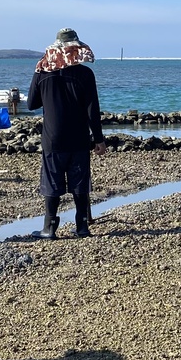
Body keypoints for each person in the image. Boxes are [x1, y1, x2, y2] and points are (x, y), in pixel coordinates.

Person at [27, 27, 106, 239]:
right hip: (79, 137)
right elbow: (92, 110)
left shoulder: (42, 73)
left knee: (52, 182)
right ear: (77, 48)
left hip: (53, 138)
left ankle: (49, 228)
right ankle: (82, 227)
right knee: (80, 183)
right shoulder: (85, 74)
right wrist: (98, 139)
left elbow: (31, 103)